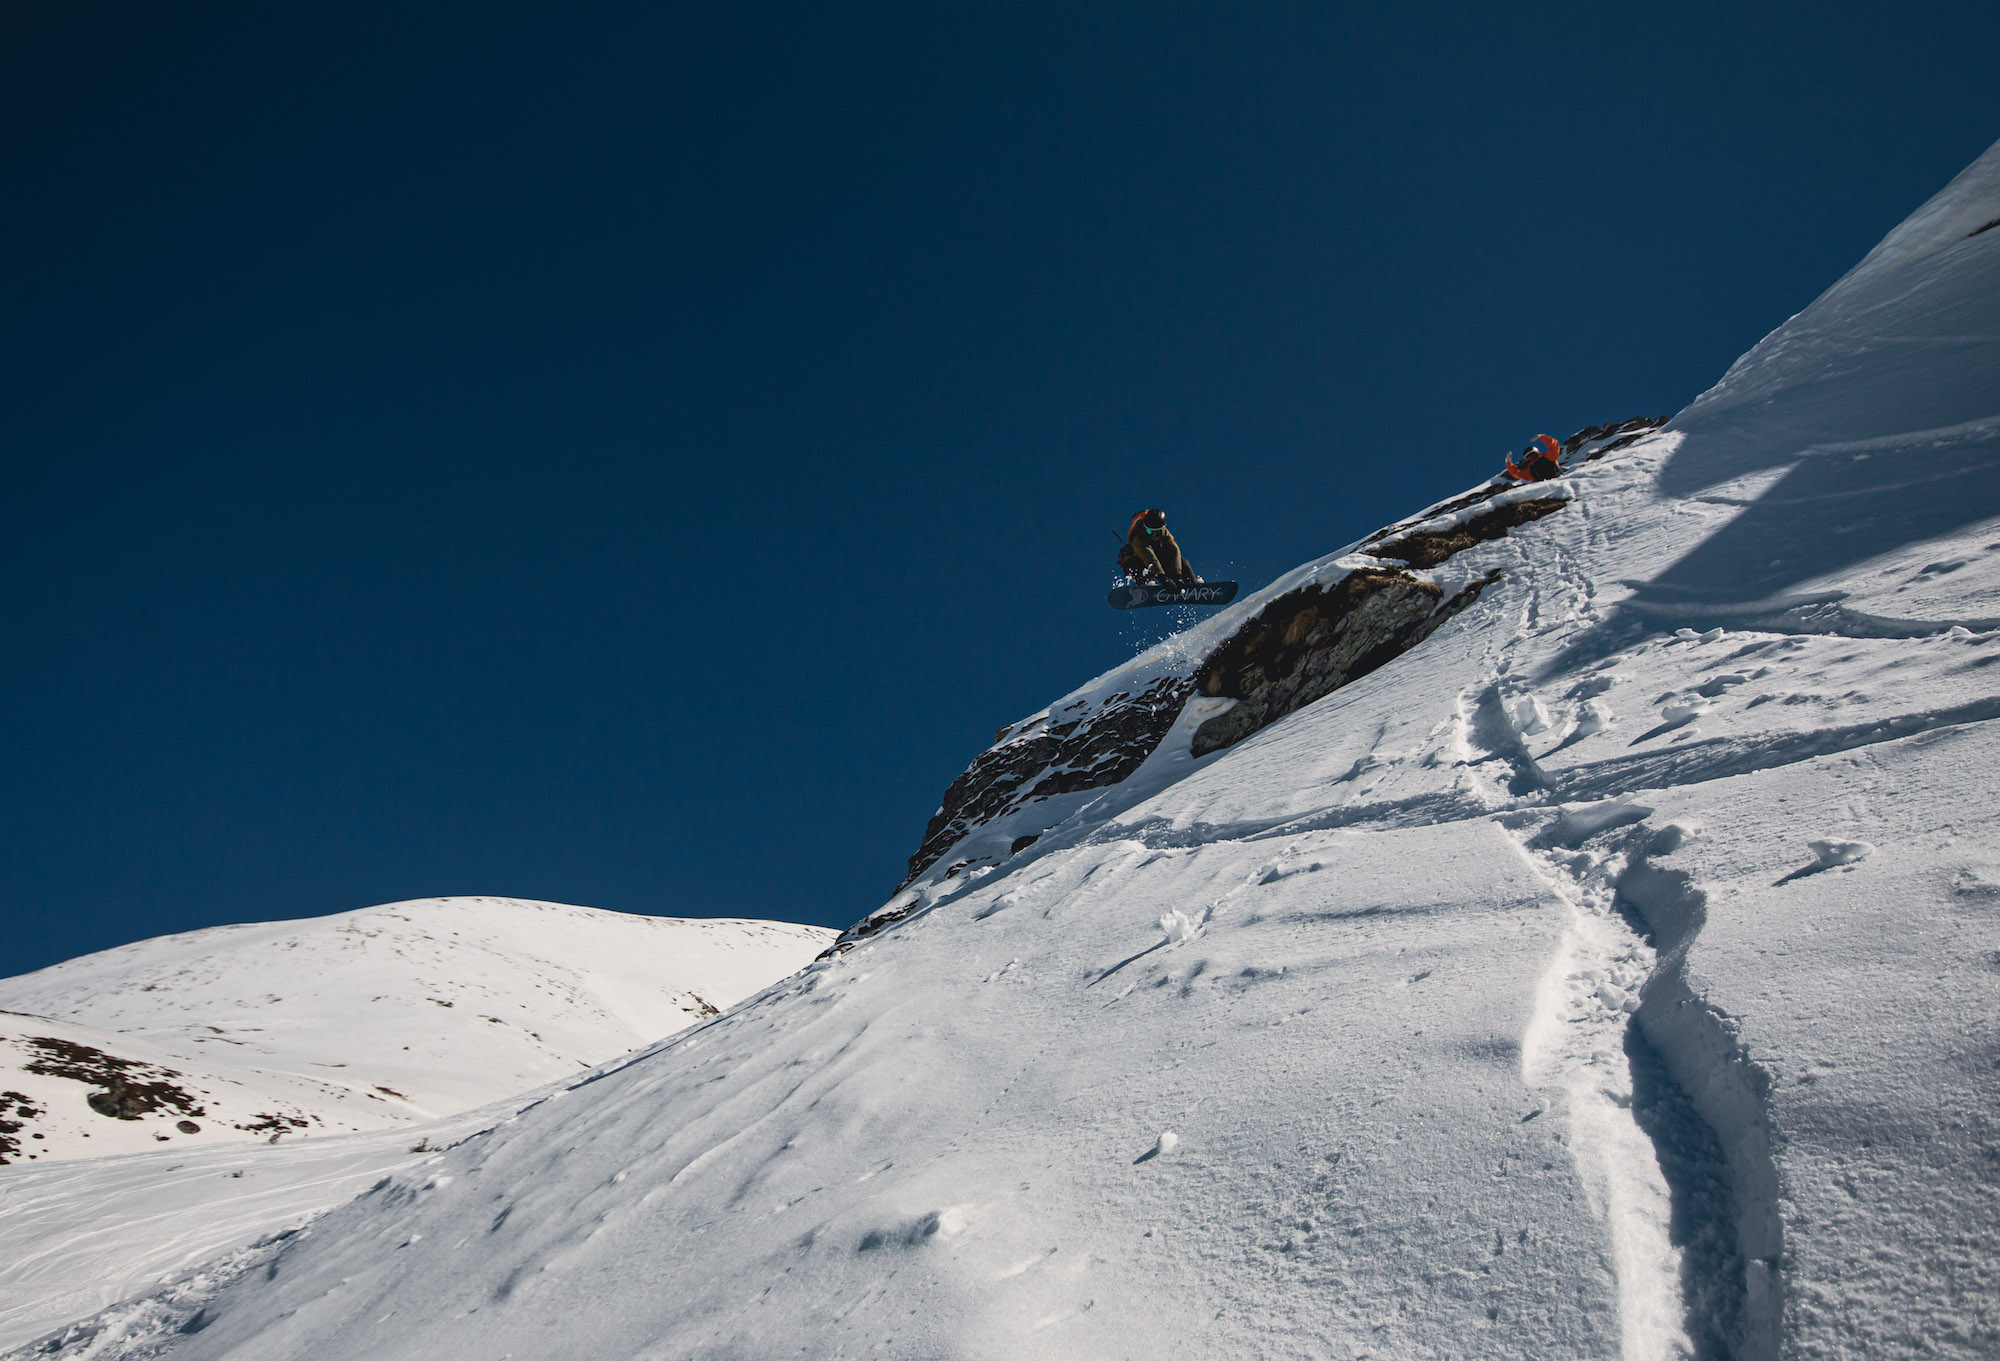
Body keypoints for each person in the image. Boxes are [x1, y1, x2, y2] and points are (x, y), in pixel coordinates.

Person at [1118, 508, 1198, 584]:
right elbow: (1148, 557)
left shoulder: (1165, 534)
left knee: (1183, 563)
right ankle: (1145, 587)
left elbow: (1174, 551)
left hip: (1156, 558)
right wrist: (1161, 576)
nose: (1154, 536)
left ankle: (1193, 586)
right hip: (1139, 559)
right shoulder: (1138, 538)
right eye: (1151, 532)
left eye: (1157, 532)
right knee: (1135, 567)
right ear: (1145, 528)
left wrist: (1178, 575)